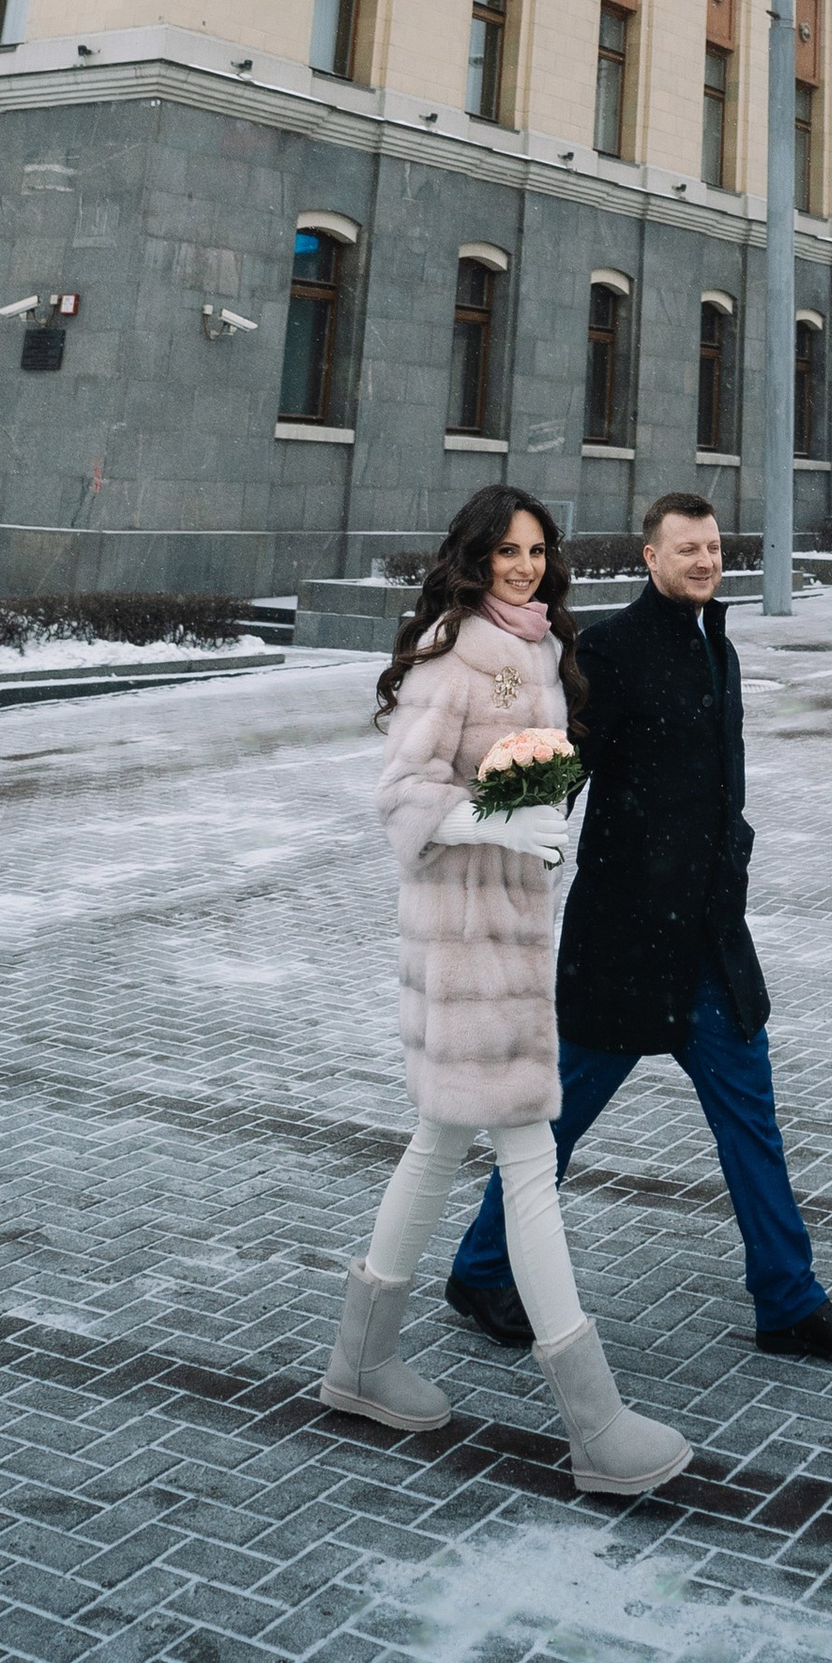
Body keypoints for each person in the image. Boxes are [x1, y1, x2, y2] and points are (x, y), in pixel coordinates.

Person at [446, 489, 832, 1367]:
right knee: (559, 1120)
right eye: (685, 548)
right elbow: (559, 766)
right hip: (626, 940)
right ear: (649, 557)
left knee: (750, 1117)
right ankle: (482, 1267)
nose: (703, 560)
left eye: (714, 547)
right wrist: (490, 843)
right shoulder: (610, 650)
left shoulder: (713, 642)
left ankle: (788, 1300)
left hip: (710, 940)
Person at [319, 486, 691, 1499]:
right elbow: (402, 791)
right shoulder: (456, 650)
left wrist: (532, 808)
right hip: (468, 939)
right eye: (508, 552)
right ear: (474, 557)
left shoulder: (530, 646)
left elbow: (521, 775)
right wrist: (489, 824)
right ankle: (594, 1421)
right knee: (526, 1158)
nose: (525, 567)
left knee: (440, 1141)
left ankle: (359, 1361)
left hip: (511, 924)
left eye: (538, 551)